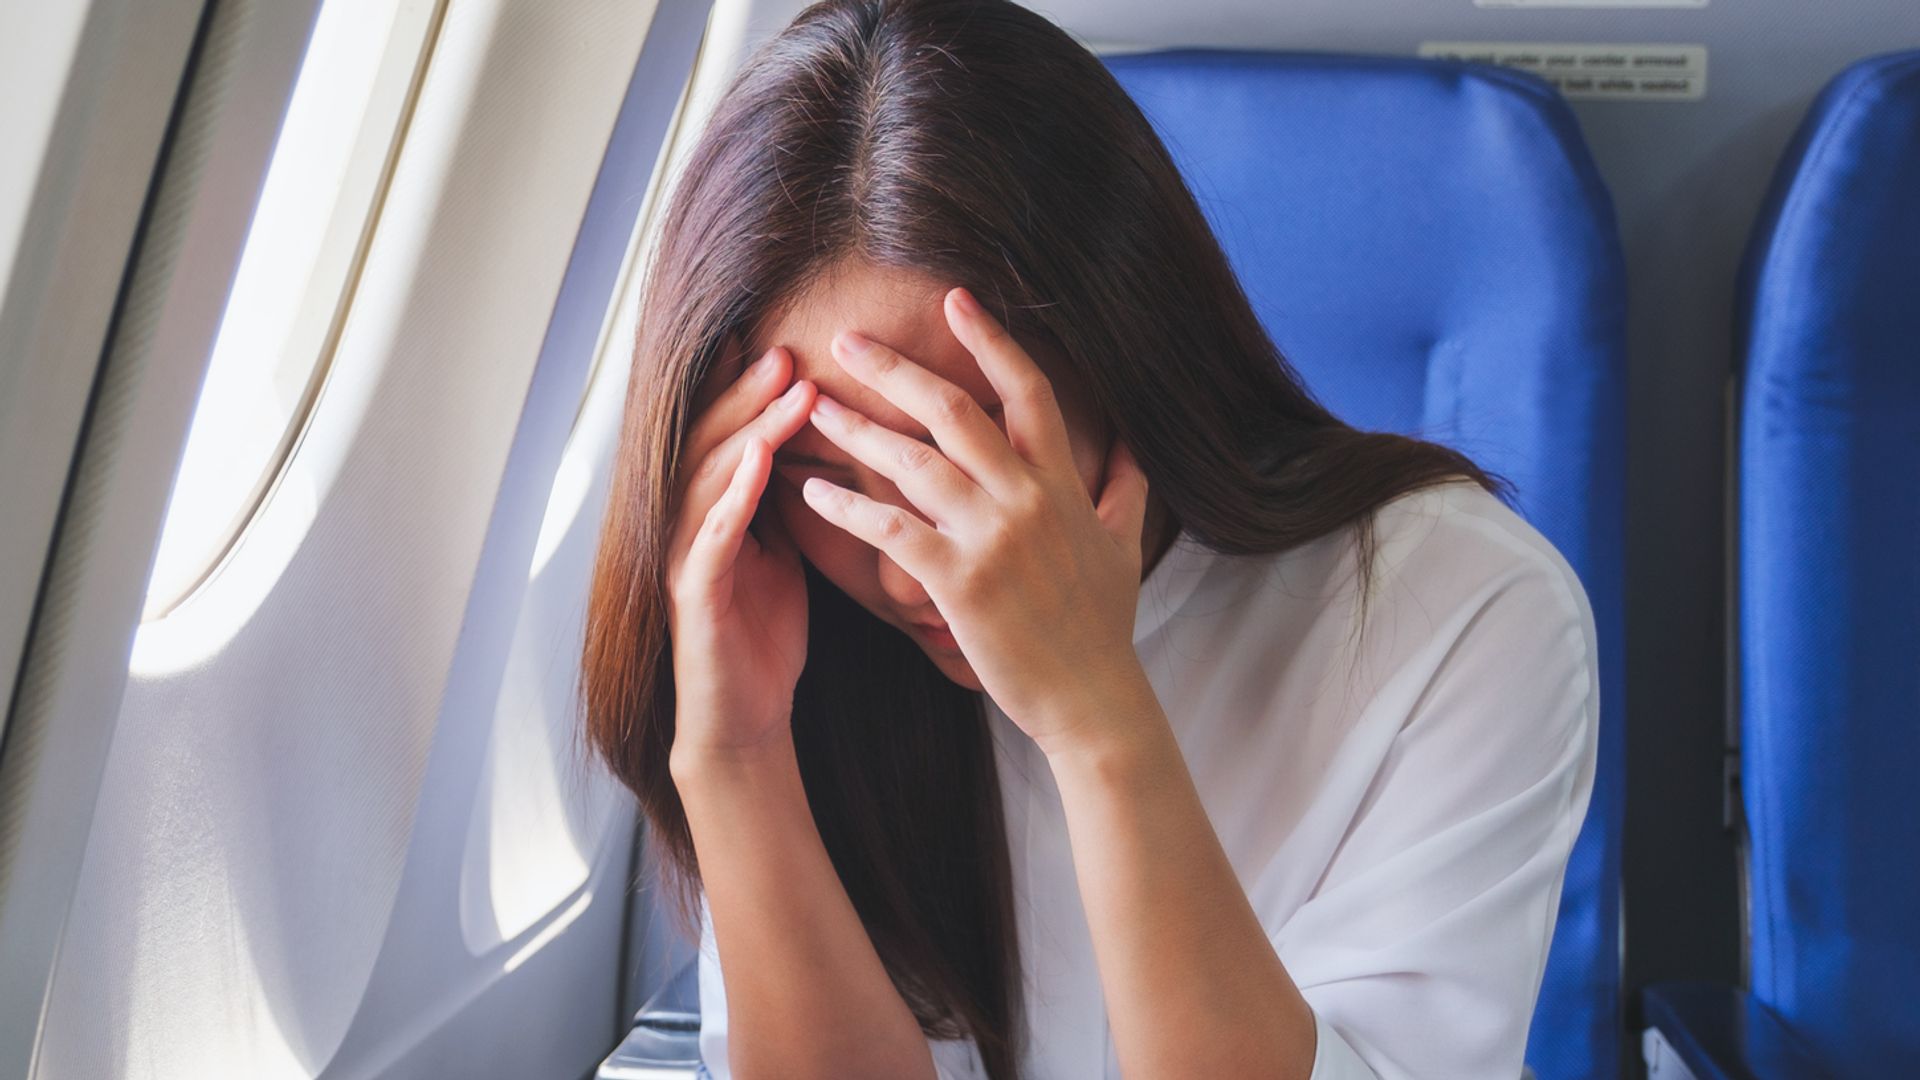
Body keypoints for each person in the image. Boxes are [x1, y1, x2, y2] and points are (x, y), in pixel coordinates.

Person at [578, 1, 1599, 1077]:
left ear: (1129, 355)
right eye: (825, 483)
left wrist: (1096, 715)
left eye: (962, 459)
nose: (908, 572)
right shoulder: (792, 639)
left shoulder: (1466, 608)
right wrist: (736, 759)